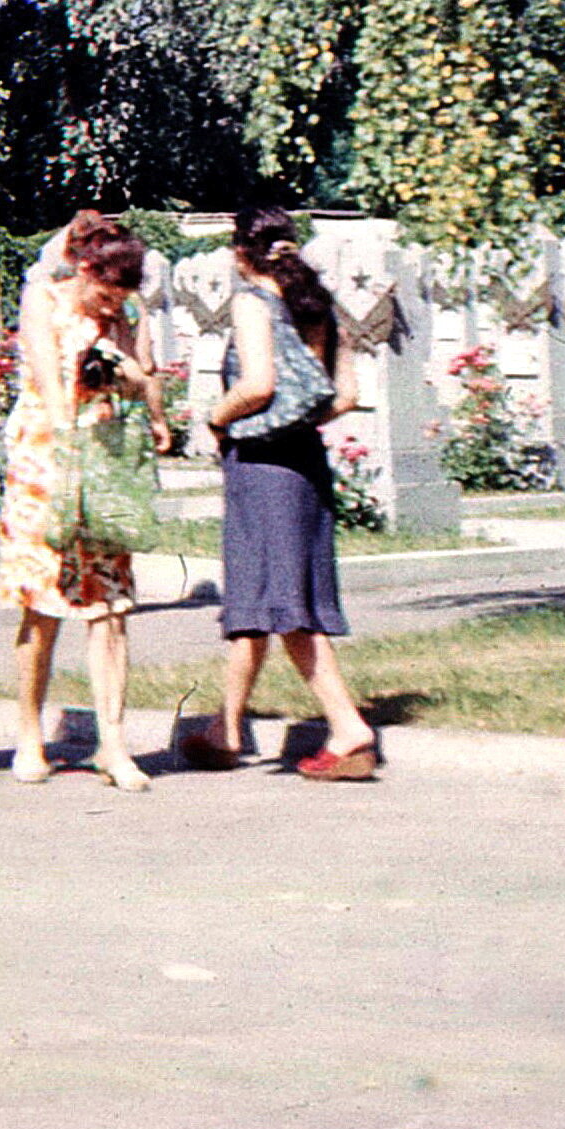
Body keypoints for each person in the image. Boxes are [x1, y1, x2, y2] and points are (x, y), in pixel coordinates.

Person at [185, 204, 384, 780]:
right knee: (257, 598)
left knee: (287, 607)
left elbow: (257, 385)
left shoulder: (253, 302)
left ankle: (347, 728)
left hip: (262, 466)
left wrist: (215, 419)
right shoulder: (316, 304)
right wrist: (294, 422)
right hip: (305, 463)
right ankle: (225, 729)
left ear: (240, 252)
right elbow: (344, 396)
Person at [0, 210, 170, 791]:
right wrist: (71, 433)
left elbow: (146, 381)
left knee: (110, 606)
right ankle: (29, 735)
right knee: (42, 605)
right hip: (46, 465)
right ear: (85, 270)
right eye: (104, 294)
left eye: (121, 297)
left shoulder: (127, 314)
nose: (110, 305)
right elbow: (50, 386)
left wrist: (135, 383)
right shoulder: (43, 300)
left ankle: (113, 743)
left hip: (107, 466)